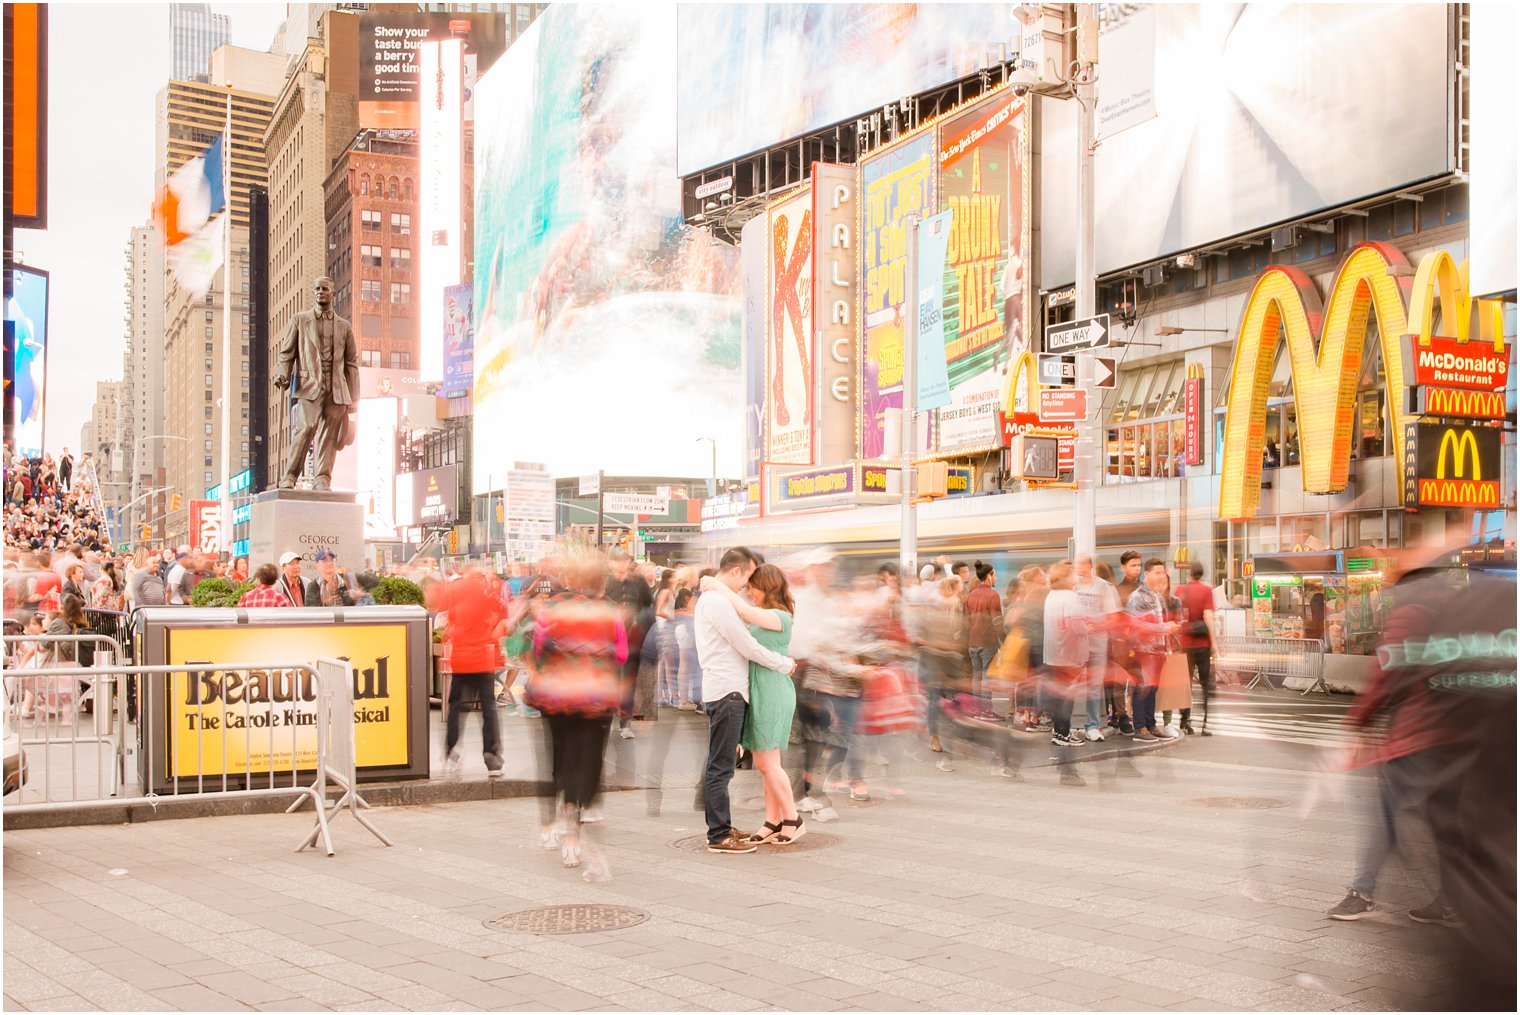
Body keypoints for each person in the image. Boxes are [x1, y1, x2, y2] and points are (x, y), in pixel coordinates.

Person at [528, 554, 626, 873]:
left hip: (555, 694)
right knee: (586, 759)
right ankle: (573, 822)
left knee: (557, 755)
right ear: (601, 580)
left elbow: (539, 646)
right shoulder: (610, 609)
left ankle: (553, 821)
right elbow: (622, 652)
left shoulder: (553, 606)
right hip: (594, 696)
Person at [696, 546, 796, 854]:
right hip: (728, 691)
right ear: (737, 572)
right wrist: (783, 663)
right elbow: (746, 645)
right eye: (747, 577)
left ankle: (729, 828)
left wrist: (712, 583)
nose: (747, 586)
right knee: (721, 766)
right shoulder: (718, 602)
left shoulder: (716, 599)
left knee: (724, 764)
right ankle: (719, 835)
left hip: (730, 690)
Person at [275, 276, 360, 491]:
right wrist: (282, 374)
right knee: (305, 428)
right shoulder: (299, 320)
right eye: (317, 289)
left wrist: (354, 398)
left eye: (325, 289)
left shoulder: (344, 326)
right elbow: (287, 353)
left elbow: (351, 363)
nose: (320, 292)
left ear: (333, 292)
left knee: (329, 436)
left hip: (337, 389)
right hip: (309, 386)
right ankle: (290, 476)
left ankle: (322, 478)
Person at [429, 566, 508, 778]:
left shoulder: (456, 589)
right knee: (488, 709)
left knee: (456, 707)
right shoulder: (488, 593)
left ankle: (451, 751)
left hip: (462, 658)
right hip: (483, 657)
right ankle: (492, 758)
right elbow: (502, 617)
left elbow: (439, 608)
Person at [1126, 558, 1180, 742]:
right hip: (1142, 652)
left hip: (1156, 651)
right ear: (1147, 574)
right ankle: (1139, 728)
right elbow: (1137, 625)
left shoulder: (1156, 597)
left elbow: (1160, 622)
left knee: (1152, 689)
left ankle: (1150, 724)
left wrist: (1166, 646)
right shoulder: (1137, 597)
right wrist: (1164, 629)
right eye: (1157, 572)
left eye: (1162, 572)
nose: (1161, 576)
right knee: (1142, 688)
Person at [1042, 562, 1090, 761]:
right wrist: (1090, 628)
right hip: (1070, 655)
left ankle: (1058, 731)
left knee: (1058, 696)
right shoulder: (1070, 597)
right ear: (1066, 577)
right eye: (1073, 575)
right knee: (1067, 697)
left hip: (1054, 654)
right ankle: (1063, 733)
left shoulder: (1051, 596)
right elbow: (1075, 626)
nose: (1076, 578)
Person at [605, 550, 654, 738]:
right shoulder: (608, 582)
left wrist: (638, 620)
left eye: (624, 561)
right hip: (612, 639)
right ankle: (610, 717)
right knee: (611, 680)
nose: (621, 565)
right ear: (611, 564)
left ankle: (625, 722)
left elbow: (647, 606)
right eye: (617, 561)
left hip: (633, 639)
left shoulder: (638, 582)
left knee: (629, 681)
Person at [1072, 553, 1120, 741]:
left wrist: (1095, 627)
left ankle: (1092, 725)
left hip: (1097, 644)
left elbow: (1113, 618)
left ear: (1090, 566)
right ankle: (1065, 725)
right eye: (1077, 565)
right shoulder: (1074, 587)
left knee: (1093, 686)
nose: (1079, 569)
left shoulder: (1103, 587)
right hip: (1076, 644)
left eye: (1082, 565)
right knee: (1070, 684)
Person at [1175, 560, 1216, 736]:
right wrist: (1214, 643)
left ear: (1190, 573)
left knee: (1186, 683)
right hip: (1202, 644)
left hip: (1185, 643)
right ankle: (1205, 723)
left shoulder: (1180, 590)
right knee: (1205, 684)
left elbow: (1177, 617)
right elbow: (1208, 616)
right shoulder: (1207, 591)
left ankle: (1185, 721)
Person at [965, 560, 1004, 719]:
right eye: (994, 575)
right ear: (989, 576)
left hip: (972, 642)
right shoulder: (993, 595)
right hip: (987, 641)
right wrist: (1004, 640)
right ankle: (987, 711)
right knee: (987, 676)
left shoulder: (970, 595)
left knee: (977, 675)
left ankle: (976, 709)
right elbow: (997, 621)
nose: (995, 579)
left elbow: (967, 622)